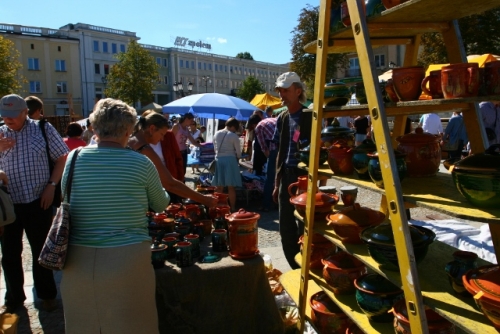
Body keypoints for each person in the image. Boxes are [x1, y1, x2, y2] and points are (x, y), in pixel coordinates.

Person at [59, 98, 169, 333]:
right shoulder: (141, 162)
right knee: (134, 323)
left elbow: (67, 198)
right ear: (129, 130)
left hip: (78, 257)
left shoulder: (74, 158)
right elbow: (160, 204)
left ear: (95, 128)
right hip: (128, 257)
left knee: (84, 324)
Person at [0, 94, 69, 314]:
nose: (7, 119)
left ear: (24, 112)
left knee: (41, 250)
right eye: (4, 115)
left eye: (12, 115)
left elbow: (62, 157)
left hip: (38, 199)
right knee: (9, 253)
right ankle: (14, 297)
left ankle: (47, 294)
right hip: (9, 203)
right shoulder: (0, 132)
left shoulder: (42, 128)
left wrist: (51, 185)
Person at [128, 110, 217, 207]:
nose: (162, 139)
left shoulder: (129, 142)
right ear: (152, 128)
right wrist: (205, 199)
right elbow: (170, 184)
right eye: (162, 134)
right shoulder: (145, 149)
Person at [272, 72, 312, 270]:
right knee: (285, 226)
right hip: (286, 176)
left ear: (298, 91)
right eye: (280, 90)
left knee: (304, 225)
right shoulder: (282, 118)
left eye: (285, 90)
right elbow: (279, 152)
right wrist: (276, 183)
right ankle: (295, 267)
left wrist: (316, 184)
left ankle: (308, 264)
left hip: (304, 178)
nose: (282, 94)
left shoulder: (310, 117)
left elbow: (318, 152)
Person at [212, 117, 242, 212]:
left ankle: (216, 207)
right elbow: (239, 153)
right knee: (231, 187)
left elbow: (214, 148)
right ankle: (232, 208)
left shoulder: (216, 133)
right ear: (233, 126)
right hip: (230, 160)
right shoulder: (233, 136)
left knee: (219, 187)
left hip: (219, 160)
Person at [254, 115, 277, 211]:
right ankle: (280, 204)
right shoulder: (275, 119)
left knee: (269, 178)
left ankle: (266, 205)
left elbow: (263, 147)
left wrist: (269, 159)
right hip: (288, 149)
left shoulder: (258, 127)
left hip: (275, 150)